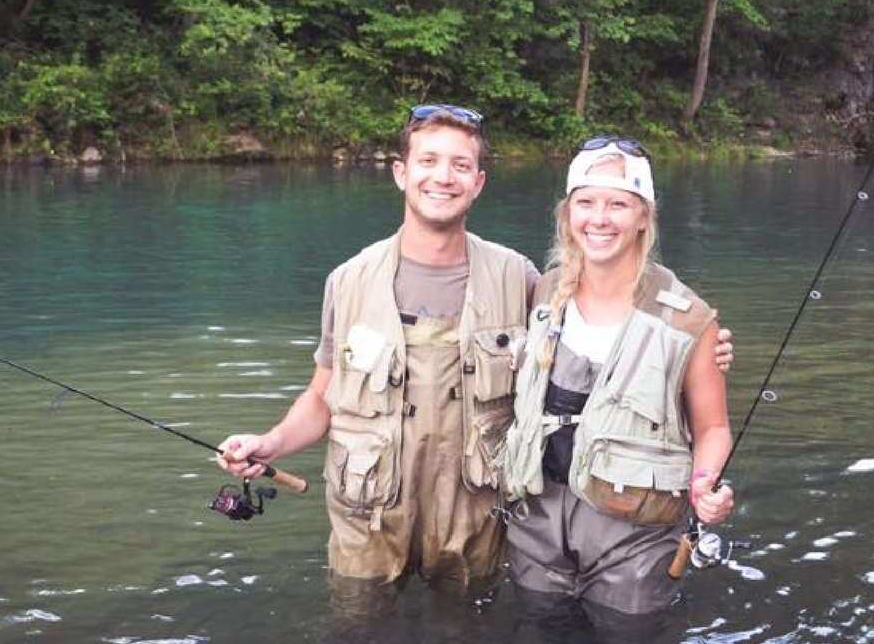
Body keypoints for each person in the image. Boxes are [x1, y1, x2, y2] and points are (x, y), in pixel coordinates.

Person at [217, 111, 733, 602]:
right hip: (366, 522)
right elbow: (321, 397)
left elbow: (606, 337)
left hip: (474, 523)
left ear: (479, 182)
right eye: (428, 161)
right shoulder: (347, 281)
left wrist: (701, 350)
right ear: (400, 173)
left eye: (460, 165)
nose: (443, 177)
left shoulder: (522, 281)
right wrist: (271, 442)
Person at [497, 136, 736, 630]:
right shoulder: (543, 291)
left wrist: (705, 486)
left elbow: (712, 428)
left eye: (618, 204)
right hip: (538, 526)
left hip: (636, 538)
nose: (599, 218)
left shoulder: (691, 319)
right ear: (567, 215)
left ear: (645, 216)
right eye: (586, 202)